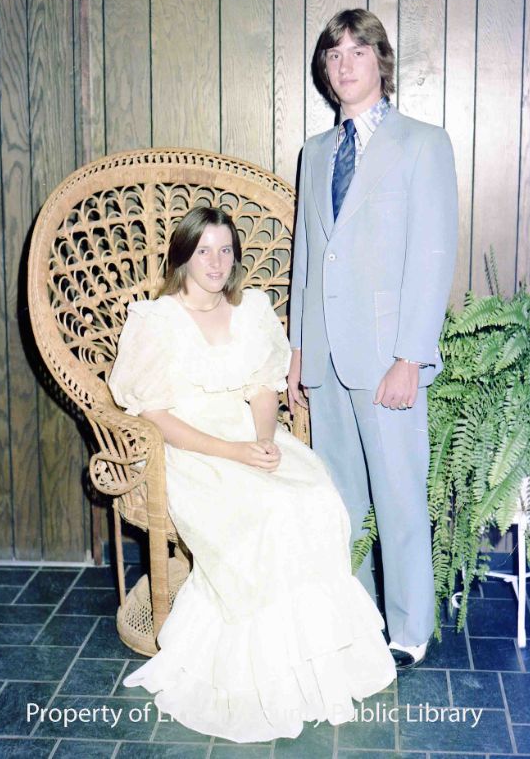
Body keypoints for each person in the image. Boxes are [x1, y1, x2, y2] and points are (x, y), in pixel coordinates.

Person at [108, 206, 396, 743]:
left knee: (313, 498)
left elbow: (265, 387)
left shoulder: (253, 309)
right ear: (184, 258)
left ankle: (315, 660)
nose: (216, 262)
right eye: (203, 251)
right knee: (264, 511)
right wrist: (233, 452)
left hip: (250, 434)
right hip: (193, 450)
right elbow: (155, 415)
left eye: (225, 250)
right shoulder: (157, 320)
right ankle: (261, 672)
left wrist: (263, 442)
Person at [288, 9, 458, 669]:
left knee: (398, 498)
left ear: (381, 63)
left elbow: (432, 255)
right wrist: (299, 353)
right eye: (333, 55)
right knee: (343, 505)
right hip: (327, 357)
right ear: (325, 72)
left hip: (389, 358)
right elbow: (309, 255)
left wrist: (410, 356)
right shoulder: (315, 153)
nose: (345, 63)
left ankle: (409, 630)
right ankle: (358, 620)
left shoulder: (423, 144)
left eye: (358, 51)